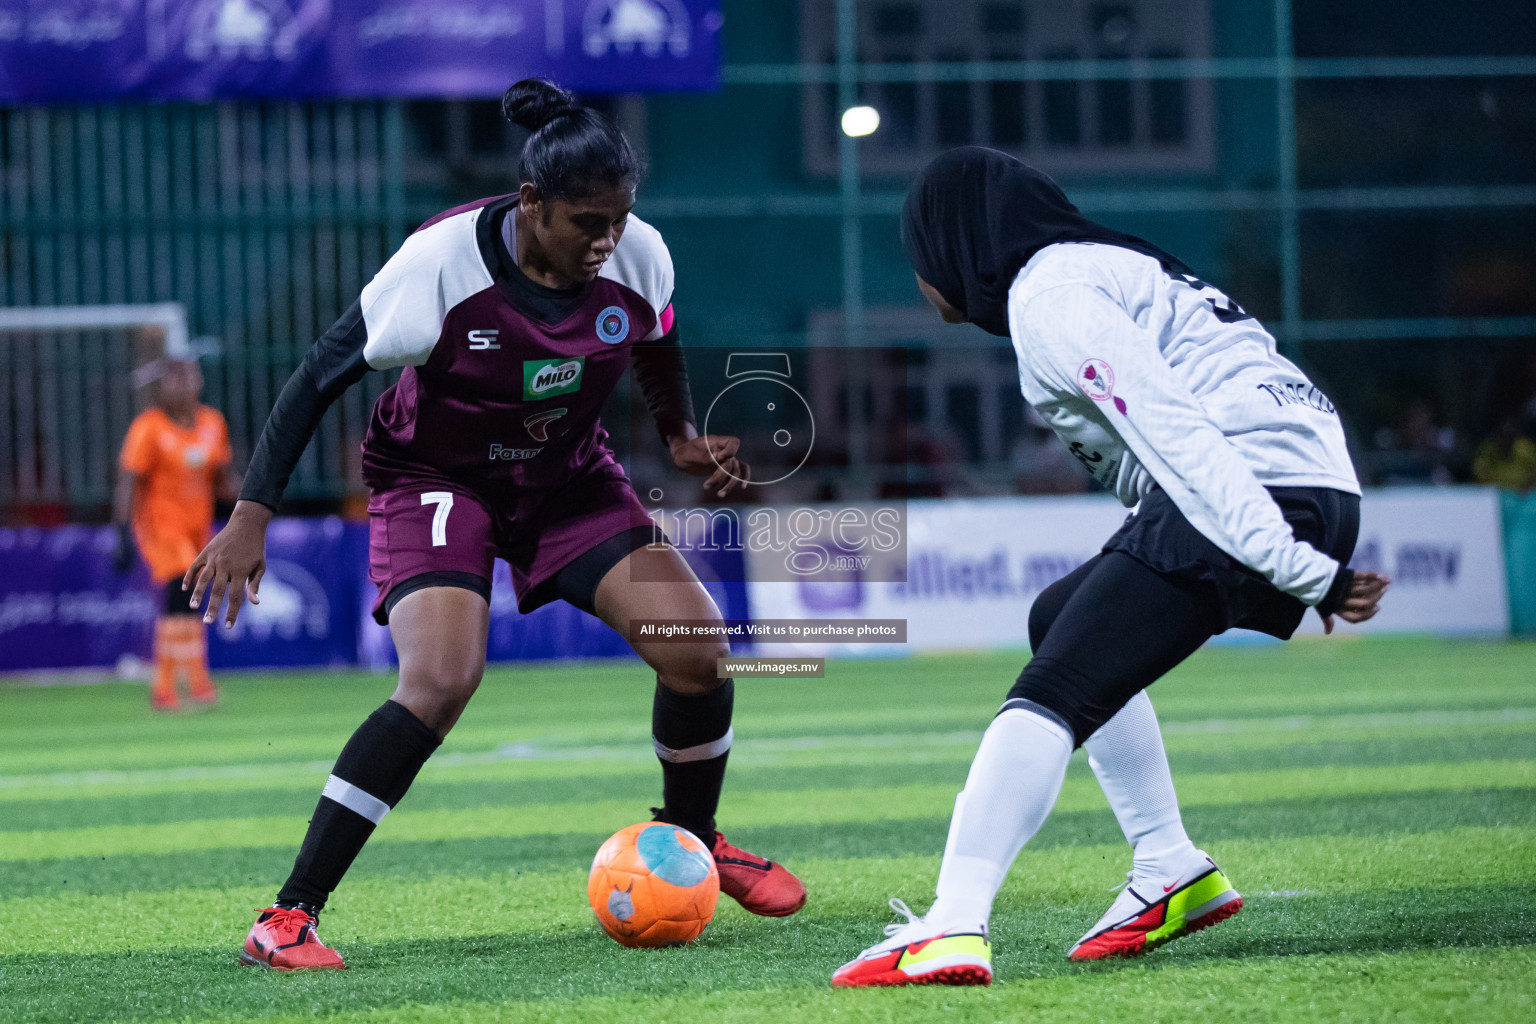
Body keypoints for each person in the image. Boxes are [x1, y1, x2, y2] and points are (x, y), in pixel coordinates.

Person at [186, 79, 805, 971]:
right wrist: (252, 514)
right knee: (441, 679)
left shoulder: (638, 253)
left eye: (619, 220)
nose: (607, 241)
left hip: (566, 478)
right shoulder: (438, 266)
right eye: (587, 222)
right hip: (436, 477)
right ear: (530, 204)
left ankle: (694, 840)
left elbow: (656, 338)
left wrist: (677, 433)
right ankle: (286, 916)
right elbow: (318, 375)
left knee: (698, 648)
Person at [832, 147, 1389, 987]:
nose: (918, 280)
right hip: (1299, 477)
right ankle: (1169, 866)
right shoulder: (1099, 270)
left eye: (918, 257)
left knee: (1050, 692)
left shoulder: (1051, 298)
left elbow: (1179, 434)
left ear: (955, 244)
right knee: (1061, 620)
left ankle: (952, 922)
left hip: (1259, 488)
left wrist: (1294, 564)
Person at [114, 355, 239, 710]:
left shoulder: (212, 423)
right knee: (179, 593)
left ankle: (193, 683)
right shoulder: (149, 428)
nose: (181, 384)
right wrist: (121, 531)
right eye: (173, 378)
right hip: (160, 528)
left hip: (198, 530)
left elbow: (224, 480)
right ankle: (167, 687)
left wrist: (254, 506)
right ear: (161, 386)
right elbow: (129, 480)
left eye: (187, 377)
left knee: (190, 602)